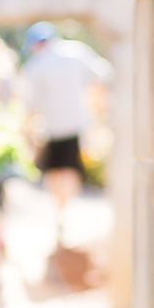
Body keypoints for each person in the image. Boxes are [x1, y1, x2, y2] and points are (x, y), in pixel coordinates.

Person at [19, 21, 113, 244]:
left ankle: (60, 213)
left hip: (52, 127)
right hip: (78, 124)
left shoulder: (36, 65)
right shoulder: (76, 51)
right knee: (71, 169)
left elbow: (31, 104)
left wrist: (27, 130)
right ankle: (66, 211)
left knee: (55, 171)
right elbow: (103, 74)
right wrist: (99, 105)